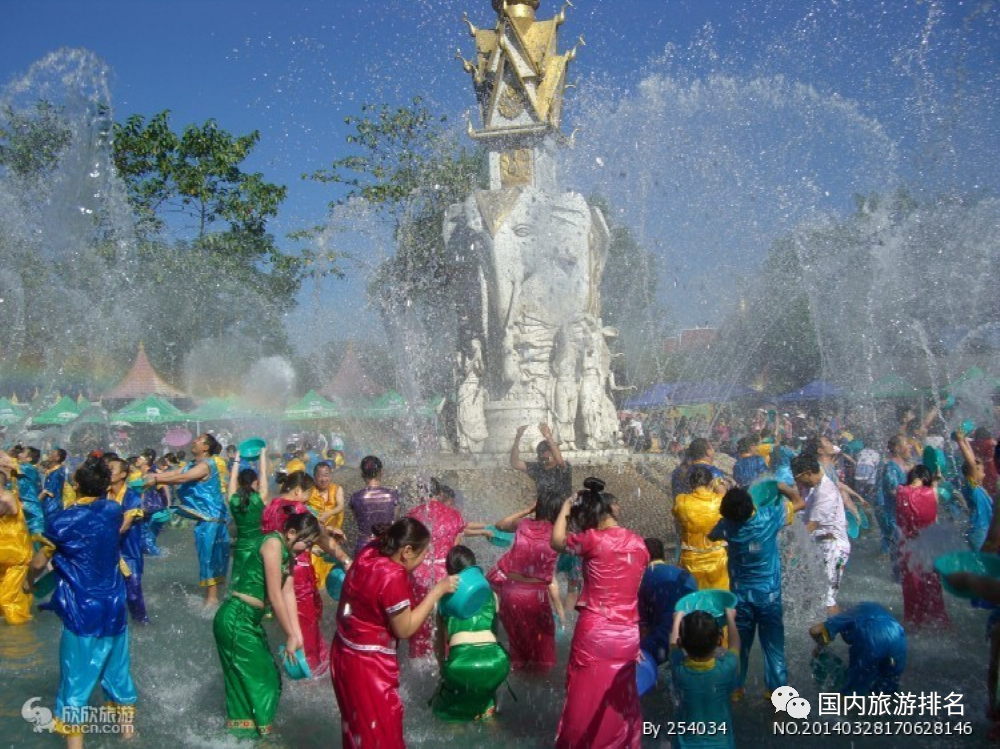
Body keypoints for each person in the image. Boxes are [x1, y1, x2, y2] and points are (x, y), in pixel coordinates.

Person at [24, 456, 137, 746]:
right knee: (117, 671)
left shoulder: (62, 520)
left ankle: (76, 745)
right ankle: (128, 735)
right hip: (114, 606)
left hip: (81, 609)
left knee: (75, 682)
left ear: (75, 484)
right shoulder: (113, 510)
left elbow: (39, 562)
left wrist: (28, 582)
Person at [331, 518, 458, 749]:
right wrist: (437, 591)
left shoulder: (371, 550)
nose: (424, 561)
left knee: (358, 731)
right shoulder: (392, 576)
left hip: (343, 652)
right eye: (423, 555)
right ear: (406, 551)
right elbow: (405, 628)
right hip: (368, 666)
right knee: (382, 734)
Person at [551, 477, 649, 748]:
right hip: (628, 634)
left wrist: (566, 507)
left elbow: (556, 541)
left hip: (596, 631)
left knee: (585, 697)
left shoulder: (592, 540)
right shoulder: (640, 544)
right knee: (620, 699)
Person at [213, 512, 318, 738]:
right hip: (235, 619)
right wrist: (288, 634)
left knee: (267, 677)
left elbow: (288, 592)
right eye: (306, 543)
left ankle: (249, 735)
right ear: (291, 533)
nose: (306, 549)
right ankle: (253, 736)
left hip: (248, 620)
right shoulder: (272, 543)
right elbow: (274, 594)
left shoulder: (288, 554)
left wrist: (297, 636)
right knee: (263, 681)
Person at [708, 486, 805, 699]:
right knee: (773, 649)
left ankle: (735, 688)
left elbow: (711, 536)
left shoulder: (727, 525)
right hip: (768, 597)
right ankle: (776, 691)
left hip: (741, 597)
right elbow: (800, 502)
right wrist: (779, 486)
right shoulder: (769, 517)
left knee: (738, 645)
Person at [430, 545, 510, 722]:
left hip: (461, 664)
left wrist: (443, 669)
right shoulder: (491, 595)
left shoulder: (443, 598)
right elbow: (495, 631)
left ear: (449, 570)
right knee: (486, 704)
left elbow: (439, 641)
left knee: (450, 711)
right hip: (497, 661)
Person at [149, 432, 230, 604]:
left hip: (211, 520)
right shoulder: (192, 464)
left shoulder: (206, 465)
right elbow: (175, 474)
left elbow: (183, 478)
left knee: (209, 558)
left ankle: (212, 601)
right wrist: (153, 477)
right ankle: (217, 595)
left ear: (206, 448)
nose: (194, 441)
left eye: (199, 440)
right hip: (206, 519)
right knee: (210, 557)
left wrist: (155, 481)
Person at [492, 493, 563, 672]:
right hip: (534, 595)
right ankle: (539, 689)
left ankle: (520, 687)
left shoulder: (523, 525)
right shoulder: (557, 532)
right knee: (542, 647)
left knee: (518, 644)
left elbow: (499, 524)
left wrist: (527, 510)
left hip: (510, 592)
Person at [406, 479, 466, 658]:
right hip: (445, 575)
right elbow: (455, 549)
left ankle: (418, 658)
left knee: (419, 619)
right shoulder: (455, 515)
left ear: (419, 493)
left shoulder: (412, 515)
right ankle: (446, 657)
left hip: (418, 574)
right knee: (445, 621)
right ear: (439, 493)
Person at [669, 608, 740, 749]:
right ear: (719, 640)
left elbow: (673, 645)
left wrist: (677, 618)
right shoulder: (725, 669)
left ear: (681, 643)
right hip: (721, 744)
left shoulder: (679, 668)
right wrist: (731, 618)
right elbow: (735, 644)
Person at [792, 453, 850, 615]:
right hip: (819, 545)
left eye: (798, 478)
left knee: (827, 600)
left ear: (808, 473)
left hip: (833, 548)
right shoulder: (813, 488)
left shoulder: (826, 492)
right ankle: (814, 632)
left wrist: (793, 551)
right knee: (811, 594)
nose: (798, 482)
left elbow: (811, 525)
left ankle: (833, 634)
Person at [809, 602, 906, 696]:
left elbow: (815, 630)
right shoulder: (868, 609)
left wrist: (819, 647)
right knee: (886, 692)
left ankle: (841, 709)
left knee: (852, 693)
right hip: (899, 637)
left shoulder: (843, 617)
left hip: (872, 636)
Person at [895, 465, 949, 628]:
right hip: (927, 547)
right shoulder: (929, 493)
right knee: (931, 584)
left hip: (907, 548)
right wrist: (935, 483)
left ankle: (913, 619)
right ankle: (935, 619)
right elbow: (934, 509)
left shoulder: (900, 491)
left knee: (911, 584)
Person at [638, 537, 697, 665]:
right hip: (692, 638)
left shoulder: (643, 580)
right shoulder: (685, 575)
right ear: (663, 554)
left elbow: (644, 626)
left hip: (662, 641)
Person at [674, 465, 729, 590]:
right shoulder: (719, 501)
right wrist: (718, 483)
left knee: (694, 599)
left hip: (691, 560)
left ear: (690, 484)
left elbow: (676, 513)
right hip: (717, 560)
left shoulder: (681, 501)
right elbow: (724, 494)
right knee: (718, 598)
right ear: (710, 483)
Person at [106, 457, 148, 624]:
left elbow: (124, 526)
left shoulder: (132, 497)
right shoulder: (103, 494)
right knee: (108, 592)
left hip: (128, 551)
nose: (108, 472)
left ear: (123, 474)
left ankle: (142, 625)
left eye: (112, 469)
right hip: (107, 550)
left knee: (133, 593)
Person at [227, 452, 268, 592]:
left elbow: (232, 480)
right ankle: (265, 611)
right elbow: (263, 473)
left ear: (239, 482)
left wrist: (236, 460)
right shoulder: (260, 498)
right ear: (255, 482)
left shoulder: (233, 500)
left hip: (241, 546)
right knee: (259, 579)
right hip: (259, 546)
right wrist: (262, 454)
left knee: (238, 578)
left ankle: (236, 605)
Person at [0, 451, 32, 624]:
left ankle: (19, 634)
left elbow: (9, 509)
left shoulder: (7, 497)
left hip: (15, 555)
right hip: (4, 554)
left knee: (7, 599)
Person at [349, 455, 400, 555]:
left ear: (362, 474)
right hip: (387, 547)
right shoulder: (393, 495)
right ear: (381, 472)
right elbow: (395, 520)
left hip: (364, 548)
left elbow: (358, 519)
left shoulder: (355, 497)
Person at [875, 436, 909, 579]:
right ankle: (898, 581)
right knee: (899, 550)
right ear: (897, 448)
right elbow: (894, 491)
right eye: (906, 444)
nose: (910, 447)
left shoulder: (902, 466)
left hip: (902, 515)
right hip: (893, 516)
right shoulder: (890, 467)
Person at [307, 461, 344, 588]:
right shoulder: (309, 491)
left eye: (326, 475)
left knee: (331, 572)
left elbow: (340, 506)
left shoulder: (337, 489)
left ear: (331, 475)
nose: (324, 479)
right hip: (314, 539)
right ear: (314, 477)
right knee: (313, 571)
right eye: (320, 476)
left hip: (333, 538)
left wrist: (329, 513)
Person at [39, 447, 70, 525]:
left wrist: (36, 501)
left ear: (57, 458)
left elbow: (48, 491)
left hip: (51, 505)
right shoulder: (58, 469)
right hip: (56, 503)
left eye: (52, 453)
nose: (49, 454)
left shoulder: (56, 473)